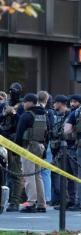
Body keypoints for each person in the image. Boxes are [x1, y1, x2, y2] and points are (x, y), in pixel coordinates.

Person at [16, 92, 54, 213]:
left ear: (30, 102)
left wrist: (16, 150)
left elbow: (19, 134)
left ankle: (31, 202)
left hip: (28, 147)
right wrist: (44, 149)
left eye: (25, 102)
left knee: (29, 175)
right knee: (38, 176)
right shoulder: (44, 114)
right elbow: (48, 134)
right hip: (40, 147)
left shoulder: (26, 115)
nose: (23, 104)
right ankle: (42, 204)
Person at [0, 83, 24, 212]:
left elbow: (22, 122)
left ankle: (14, 201)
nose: (11, 94)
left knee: (15, 172)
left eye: (14, 92)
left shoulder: (21, 106)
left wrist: (14, 113)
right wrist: (4, 114)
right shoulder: (4, 105)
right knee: (2, 172)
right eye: (10, 92)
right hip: (2, 140)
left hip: (14, 141)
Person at [50, 95, 72, 208]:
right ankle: (65, 200)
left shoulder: (68, 116)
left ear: (61, 103)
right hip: (58, 149)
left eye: (55, 102)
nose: (54, 105)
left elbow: (64, 134)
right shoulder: (59, 116)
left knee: (64, 176)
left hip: (65, 150)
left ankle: (66, 201)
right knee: (62, 176)